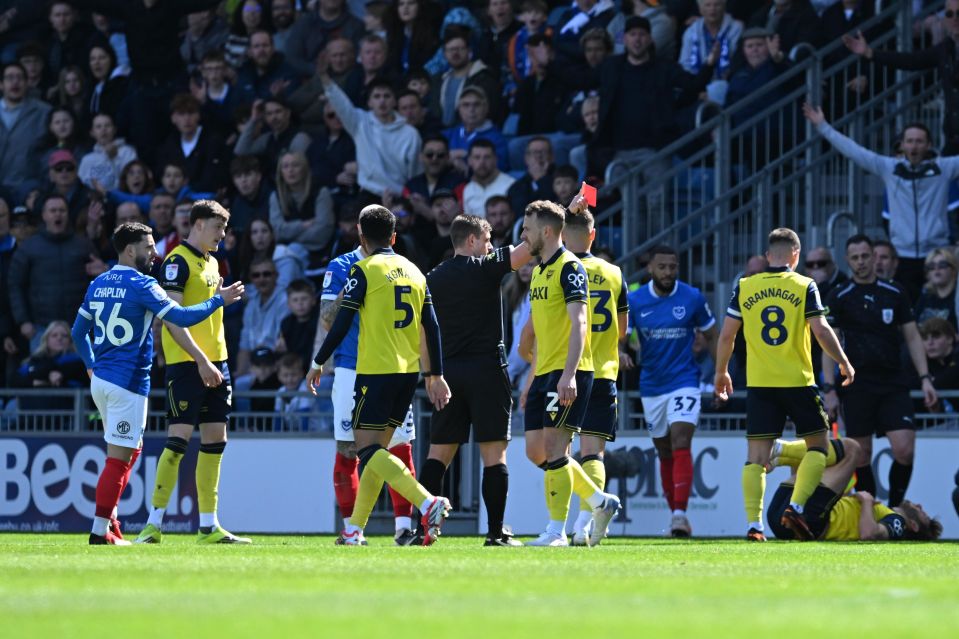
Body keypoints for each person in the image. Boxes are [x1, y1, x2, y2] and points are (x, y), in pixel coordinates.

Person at [70, 222, 243, 544]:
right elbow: (181, 318)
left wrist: (91, 366)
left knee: (128, 453)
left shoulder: (98, 283)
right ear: (131, 249)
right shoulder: (142, 284)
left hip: (103, 382)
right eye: (149, 247)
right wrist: (218, 300)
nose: (155, 253)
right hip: (128, 383)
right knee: (119, 459)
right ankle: (98, 533)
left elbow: (78, 333)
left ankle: (111, 525)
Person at [307, 205, 453, 546]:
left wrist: (318, 361)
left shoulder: (363, 269)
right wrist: (436, 373)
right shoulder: (414, 271)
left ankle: (426, 502)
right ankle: (354, 529)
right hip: (407, 373)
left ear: (360, 233)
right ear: (393, 236)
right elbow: (431, 327)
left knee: (368, 451)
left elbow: (339, 321)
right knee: (379, 449)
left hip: (372, 371)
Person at [714, 227, 854, 542]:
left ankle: (754, 525)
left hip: (761, 385)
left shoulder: (745, 286)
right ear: (796, 255)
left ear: (767, 256)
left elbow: (727, 336)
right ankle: (796, 506)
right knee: (819, 447)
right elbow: (820, 329)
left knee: (756, 458)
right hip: (799, 382)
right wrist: (843, 360)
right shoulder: (805, 285)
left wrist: (721, 372)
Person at [137, 201, 251, 545]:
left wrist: (214, 360)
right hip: (189, 364)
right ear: (198, 224)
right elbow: (171, 319)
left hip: (219, 362)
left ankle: (208, 525)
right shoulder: (176, 262)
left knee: (217, 440)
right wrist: (201, 360)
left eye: (225, 228)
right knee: (178, 441)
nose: (222, 234)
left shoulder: (213, 262)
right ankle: (153, 524)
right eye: (218, 227)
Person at [418, 213, 534, 546]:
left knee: (437, 454)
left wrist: (431, 375)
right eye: (487, 241)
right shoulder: (486, 267)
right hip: (486, 371)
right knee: (494, 456)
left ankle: (422, 528)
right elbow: (531, 247)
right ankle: (496, 533)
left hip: (448, 374)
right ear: (471, 241)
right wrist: (564, 213)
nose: (490, 247)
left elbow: (422, 333)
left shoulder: (431, 279)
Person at [520, 199, 621, 546]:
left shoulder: (569, 267)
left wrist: (569, 374)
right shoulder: (539, 270)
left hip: (566, 370)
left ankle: (555, 530)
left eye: (528, 229)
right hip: (544, 370)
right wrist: (532, 377)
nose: (523, 235)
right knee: (536, 451)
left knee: (555, 448)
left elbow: (580, 322)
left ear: (546, 232)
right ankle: (598, 500)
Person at [822, 234, 936, 509]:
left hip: (892, 380)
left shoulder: (895, 292)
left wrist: (925, 379)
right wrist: (829, 388)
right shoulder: (839, 296)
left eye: (865, 256)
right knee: (861, 455)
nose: (861, 262)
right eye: (855, 258)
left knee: (904, 449)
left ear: (874, 257)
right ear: (847, 261)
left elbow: (912, 337)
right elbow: (828, 343)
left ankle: (896, 508)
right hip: (856, 382)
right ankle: (872, 510)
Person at [319, 239, 420, 544]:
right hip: (352, 367)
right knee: (349, 451)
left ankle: (404, 528)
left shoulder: (401, 268)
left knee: (399, 446)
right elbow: (327, 319)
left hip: (393, 366)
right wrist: (351, 287)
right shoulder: (341, 266)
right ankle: (353, 529)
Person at [804, 104, 959, 301]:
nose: (914, 146)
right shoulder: (890, 168)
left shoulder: (944, 168)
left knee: (941, 312)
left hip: (936, 255)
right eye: (910, 141)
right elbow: (856, 152)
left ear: (929, 145)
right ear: (902, 145)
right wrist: (823, 126)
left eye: (919, 141)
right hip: (901, 256)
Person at [628, 245, 717, 538]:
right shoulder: (635, 300)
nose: (668, 272)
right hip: (651, 385)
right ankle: (674, 513)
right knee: (664, 449)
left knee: (681, 439)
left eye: (672, 267)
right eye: (662, 267)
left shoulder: (691, 297)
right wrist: (620, 351)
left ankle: (680, 514)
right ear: (650, 269)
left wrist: (720, 373)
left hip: (684, 380)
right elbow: (617, 334)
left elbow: (712, 334)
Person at [561, 199, 630, 545]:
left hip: (566, 372)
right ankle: (585, 524)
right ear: (593, 235)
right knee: (593, 452)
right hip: (604, 372)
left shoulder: (560, 269)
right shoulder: (614, 273)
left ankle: (564, 525)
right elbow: (623, 332)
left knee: (558, 451)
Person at [766, 437, 942, 541]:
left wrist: (866, 501)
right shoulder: (881, 510)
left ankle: (779, 451)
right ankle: (777, 458)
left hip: (807, 522)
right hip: (782, 516)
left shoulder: (898, 523)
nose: (919, 505)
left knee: (852, 449)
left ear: (914, 526)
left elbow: (868, 534)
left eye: (922, 513)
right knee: (820, 447)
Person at [842, 1, 959, 154]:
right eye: (949, 14)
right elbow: (911, 61)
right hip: (954, 138)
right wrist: (870, 53)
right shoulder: (946, 48)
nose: (955, 18)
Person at [8, 194, 98, 353]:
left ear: (68, 214)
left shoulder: (83, 245)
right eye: (53, 210)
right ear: (44, 215)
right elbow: (15, 285)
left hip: (80, 328)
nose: (58, 214)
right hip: (42, 329)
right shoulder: (29, 248)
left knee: (84, 376)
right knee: (43, 376)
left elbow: (99, 286)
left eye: (62, 210)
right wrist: (24, 322)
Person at [321, 69, 422, 199]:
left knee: (399, 218)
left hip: (400, 197)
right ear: (369, 102)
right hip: (368, 194)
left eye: (386, 96)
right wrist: (324, 77)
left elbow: (415, 173)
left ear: (394, 101)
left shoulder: (411, 134)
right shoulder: (360, 122)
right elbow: (341, 104)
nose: (382, 101)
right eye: (377, 96)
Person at [236, 257, 289, 376]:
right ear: (251, 278)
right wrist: (240, 373)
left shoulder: (285, 300)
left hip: (277, 365)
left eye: (267, 274)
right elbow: (244, 346)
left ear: (276, 275)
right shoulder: (251, 304)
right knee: (239, 385)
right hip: (255, 365)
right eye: (256, 275)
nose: (262, 279)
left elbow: (284, 346)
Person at [461, 139, 515, 217]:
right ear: (469, 161)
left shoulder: (511, 185)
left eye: (487, 157)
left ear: (495, 160)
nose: (482, 162)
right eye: (477, 157)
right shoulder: (468, 189)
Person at [914, 248, 958, 330]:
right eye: (931, 266)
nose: (936, 269)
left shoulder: (957, 297)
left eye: (942, 265)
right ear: (928, 273)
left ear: (953, 270)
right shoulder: (925, 296)